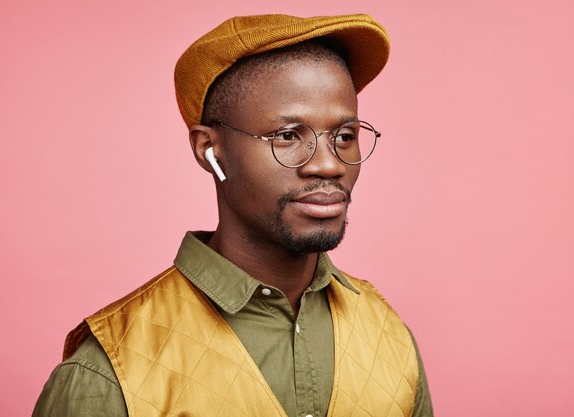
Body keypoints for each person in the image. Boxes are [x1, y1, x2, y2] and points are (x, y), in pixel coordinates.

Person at [33, 13, 434, 417]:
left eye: (344, 136)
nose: (329, 165)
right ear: (209, 149)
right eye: (288, 136)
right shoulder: (108, 371)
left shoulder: (390, 337)